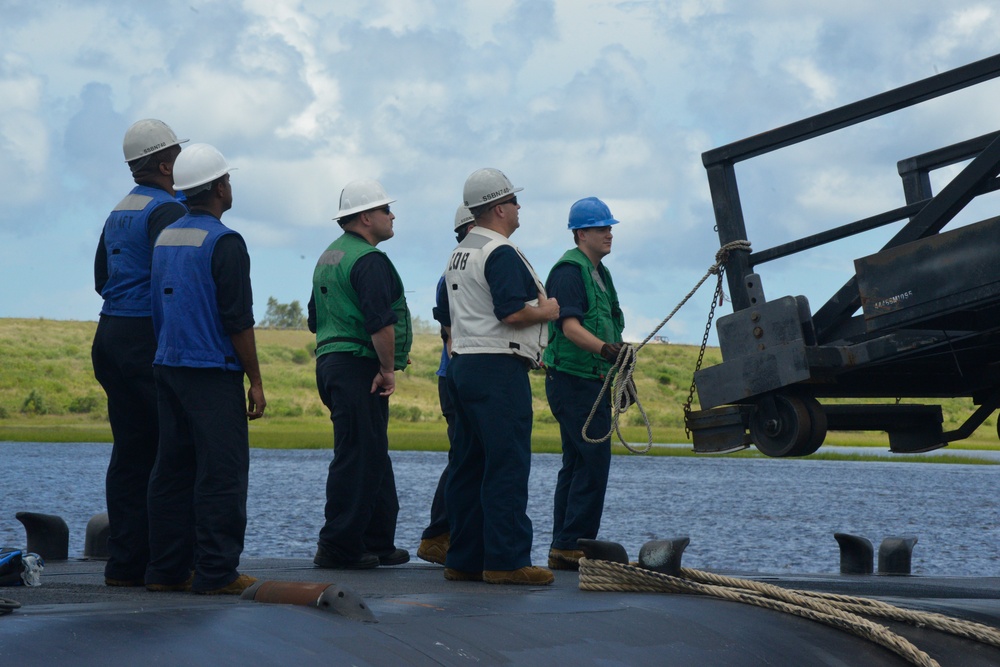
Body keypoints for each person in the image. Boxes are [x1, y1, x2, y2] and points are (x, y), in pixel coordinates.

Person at [144, 143, 265, 595]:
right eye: (228, 179)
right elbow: (238, 320)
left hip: (168, 366)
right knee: (223, 473)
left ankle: (166, 571)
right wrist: (255, 380)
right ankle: (216, 573)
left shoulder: (165, 237)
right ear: (218, 187)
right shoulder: (225, 241)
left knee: (171, 471)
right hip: (212, 371)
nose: (230, 186)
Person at [438, 168, 559, 585]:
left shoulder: (460, 253)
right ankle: (507, 561)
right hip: (497, 367)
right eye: (514, 201)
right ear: (499, 208)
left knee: (469, 463)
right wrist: (547, 311)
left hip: (462, 364)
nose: (519, 208)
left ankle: (464, 557)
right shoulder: (499, 252)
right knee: (507, 462)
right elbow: (511, 312)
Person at [92, 119, 188, 587]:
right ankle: (165, 562)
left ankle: (124, 562)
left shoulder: (119, 211)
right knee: (167, 452)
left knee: (130, 452)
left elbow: (100, 278)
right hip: (145, 338)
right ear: (166, 163)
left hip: (110, 335)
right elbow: (175, 281)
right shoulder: (168, 211)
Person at [308, 179, 412, 570]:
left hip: (332, 362)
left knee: (371, 452)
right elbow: (380, 322)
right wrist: (387, 368)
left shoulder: (328, 256)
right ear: (366, 217)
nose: (392, 215)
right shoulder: (369, 260)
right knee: (357, 454)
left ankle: (376, 539)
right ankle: (338, 545)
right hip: (358, 366)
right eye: (386, 209)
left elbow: (313, 317)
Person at [543, 197, 625, 571]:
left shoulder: (600, 273)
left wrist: (620, 370)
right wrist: (609, 352)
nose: (609, 233)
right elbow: (570, 328)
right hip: (574, 380)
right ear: (581, 234)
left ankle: (565, 544)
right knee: (592, 461)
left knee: (577, 462)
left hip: (593, 379)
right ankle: (573, 543)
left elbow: (608, 325)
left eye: (609, 227)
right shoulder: (568, 272)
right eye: (601, 228)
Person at [417, 205, 475, 565]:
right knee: (463, 456)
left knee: (466, 455)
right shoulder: (455, 275)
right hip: (458, 376)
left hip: (457, 375)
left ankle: (452, 533)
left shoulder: (458, 271)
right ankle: (438, 533)